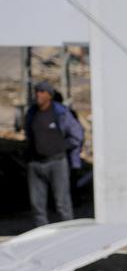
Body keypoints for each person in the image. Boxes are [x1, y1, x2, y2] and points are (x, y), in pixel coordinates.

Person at [24, 81, 84, 227]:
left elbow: (77, 135)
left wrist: (62, 147)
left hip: (57, 162)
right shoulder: (32, 113)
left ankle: (69, 231)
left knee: (62, 203)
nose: (38, 95)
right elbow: (29, 134)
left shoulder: (61, 113)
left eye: (42, 92)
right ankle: (42, 232)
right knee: (37, 205)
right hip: (35, 164)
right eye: (37, 91)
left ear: (49, 95)